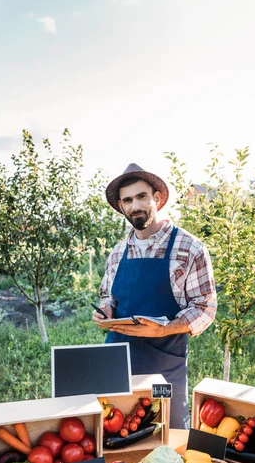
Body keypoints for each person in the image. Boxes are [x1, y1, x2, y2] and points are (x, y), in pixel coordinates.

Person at [92, 163, 217, 429]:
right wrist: (106, 311)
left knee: (167, 436)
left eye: (141, 196)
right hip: (118, 361)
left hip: (164, 362)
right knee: (116, 434)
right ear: (121, 207)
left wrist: (165, 329)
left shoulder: (188, 247)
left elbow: (205, 307)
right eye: (127, 200)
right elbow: (108, 296)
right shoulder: (117, 252)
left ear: (157, 199)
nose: (135, 205)